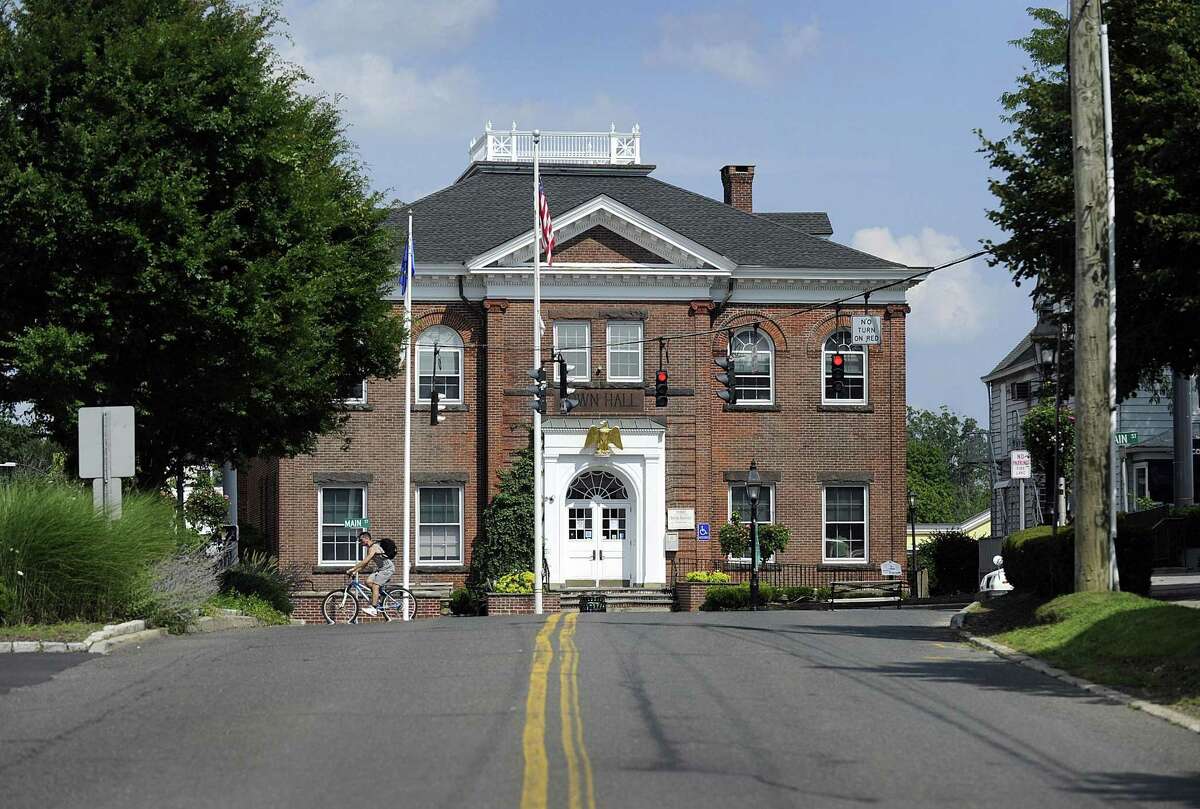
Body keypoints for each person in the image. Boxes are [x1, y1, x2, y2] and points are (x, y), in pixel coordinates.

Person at [345, 531, 395, 616]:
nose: (361, 543)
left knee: (375, 585)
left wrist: (353, 568)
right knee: (368, 582)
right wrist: (355, 572)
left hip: (387, 569)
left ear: (367, 538)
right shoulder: (370, 548)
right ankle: (379, 595)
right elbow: (365, 565)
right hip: (381, 569)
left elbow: (365, 561)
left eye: (361, 540)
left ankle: (374, 608)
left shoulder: (374, 547)